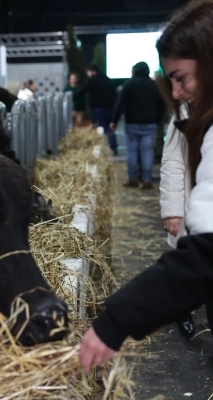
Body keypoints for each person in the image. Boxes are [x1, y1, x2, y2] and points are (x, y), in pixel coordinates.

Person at [78, 0, 213, 374]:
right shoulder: (192, 117)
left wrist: (116, 321)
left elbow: (206, 255)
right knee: (138, 153)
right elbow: (172, 162)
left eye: (181, 77)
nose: (177, 91)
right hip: (145, 129)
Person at [160, 106, 213, 338]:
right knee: (193, 263)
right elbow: (173, 160)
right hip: (196, 204)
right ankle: (183, 308)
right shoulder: (187, 111)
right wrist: (172, 210)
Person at [110, 62, 166, 189]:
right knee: (147, 152)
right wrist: (157, 120)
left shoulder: (129, 84)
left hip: (132, 124)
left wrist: (115, 121)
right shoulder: (154, 85)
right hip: (150, 124)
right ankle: (147, 180)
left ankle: (133, 178)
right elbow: (161, 105)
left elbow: (120, 104)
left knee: (132, 152)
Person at [74, 64, 118, 154]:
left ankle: (103, 149)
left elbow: (81, 91)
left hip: (97, 109)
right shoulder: (108, 80)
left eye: (88, 72)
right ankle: (113, 147)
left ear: (92, 71)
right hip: (110, 108)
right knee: (110, 128)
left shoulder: (92, 80)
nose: (87, 75)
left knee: (100, 129)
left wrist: (73, 98)